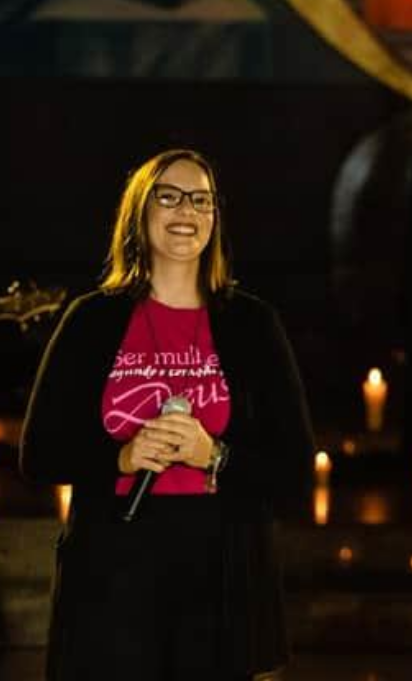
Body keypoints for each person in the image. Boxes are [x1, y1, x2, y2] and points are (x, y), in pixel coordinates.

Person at [20, 149, 314, 680]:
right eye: (170, 197)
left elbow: (294, 467)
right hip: (113, 576)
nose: (187, 211)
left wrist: (213, 455)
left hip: (220, 578)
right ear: (140, 211)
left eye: (201, 200)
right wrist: (123, 457)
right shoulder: (91, 319)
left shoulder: (252, 324)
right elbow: (39, 454)